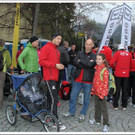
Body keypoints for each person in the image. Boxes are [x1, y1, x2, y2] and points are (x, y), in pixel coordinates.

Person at [63, 38, 96, 122]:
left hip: (88, 81)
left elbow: (90, 65)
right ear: (84, 44)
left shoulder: (94, 55)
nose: (88, 46)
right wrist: (85, 63)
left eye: (89, 44)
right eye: (86, 44)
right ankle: (71, 112)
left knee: (86, 99)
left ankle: (82, 114)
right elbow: (75, 62)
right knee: (73, 97)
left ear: (92, 45)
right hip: (77, 79)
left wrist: (80, 61)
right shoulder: (80, 53)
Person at [39, 33, 66, 131]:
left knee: (50, 99)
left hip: (55, 77)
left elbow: (54, 63)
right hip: (49, 78)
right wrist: (55, 65)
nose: (59, 41)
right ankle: (54, 121)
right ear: (53, 38)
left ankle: (48, 117)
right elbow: (41, 61)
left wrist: (59, 66)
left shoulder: (56, 50)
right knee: (54, 99)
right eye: (58, 38)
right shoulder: (46, 48)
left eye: (60, 39)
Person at [89, 53, 109, 132]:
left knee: (104, 109)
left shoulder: (104, 70)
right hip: (97, 92)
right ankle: (97, 120)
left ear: (103, 60)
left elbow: (105, 83)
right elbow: (95, 81)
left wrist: (102, 94)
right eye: (97, 59)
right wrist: (93, 90)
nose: (97, 60)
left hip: (102, 94)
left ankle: (106, 124)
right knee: (97, 107)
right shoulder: (97, 68)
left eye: (99, 59)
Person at [110, 44, 132, 111]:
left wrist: (114, 68)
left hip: (118, 74)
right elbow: (131, 64)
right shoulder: (128, 54)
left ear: (119, 48)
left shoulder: (117, 53)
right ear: (124, 48)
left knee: (117, 90)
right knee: (125, 90)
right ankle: (124, 106)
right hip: (126, 74)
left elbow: (111, 63)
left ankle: (115, 105)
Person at [0, 39, 12, 108]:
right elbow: (9, 63)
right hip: (2, 72)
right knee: (0, 88)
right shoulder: (6, 51)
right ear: (3, 44)